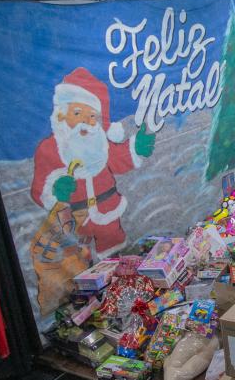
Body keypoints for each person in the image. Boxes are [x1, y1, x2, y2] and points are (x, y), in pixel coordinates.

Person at [31, 67, 156, 258]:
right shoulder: (49, 148)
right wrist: (55, 191)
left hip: (108, 211)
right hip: (75, 220)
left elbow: (117, 159)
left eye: (92, 116)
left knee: (116, 252)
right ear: (62, 114)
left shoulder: (99, 143)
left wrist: (134, 148)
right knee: (79, 261)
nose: (85, 121)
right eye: (78, 113)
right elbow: (40, 189)